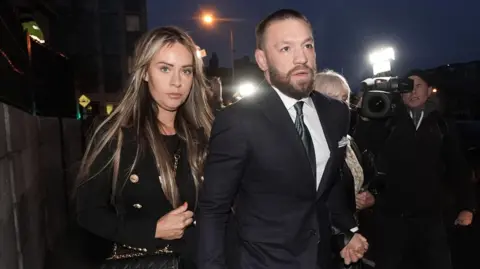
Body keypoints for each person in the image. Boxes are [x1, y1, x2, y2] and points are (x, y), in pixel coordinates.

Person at [197, 9, 368, 269]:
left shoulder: (336, 112)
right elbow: (213, 209)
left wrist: (346, 231)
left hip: (321, 259)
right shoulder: (238, 120)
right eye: (286, 49)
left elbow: (326, 185)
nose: (302, 58)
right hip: (259, 262)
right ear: (262, 60)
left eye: (307, 45)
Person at [75, 26, 213, 269]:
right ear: (145, 72)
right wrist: (152, 230)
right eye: (165, 68)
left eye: (186, 71)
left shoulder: (204, 135)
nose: (176, 82)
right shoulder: (116, 135)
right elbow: (88, 212)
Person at [353, 69, 475, 269]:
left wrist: (467, 207)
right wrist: (366, 117)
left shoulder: (442, 125)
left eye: (419, 86)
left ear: (429, 91)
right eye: (407, 87)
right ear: (400, 93)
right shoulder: (386, 121)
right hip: (391, 218)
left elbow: (458, 167)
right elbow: (361, 149)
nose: (413, 91)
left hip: (432, 218)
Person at [314, 70, 377, 269]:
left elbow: (370, 177)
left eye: (345, 99)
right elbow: (314, 202)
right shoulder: (309, 146)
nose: (342, 107)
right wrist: (343, 237)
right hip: (325, 244)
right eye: (333, 99)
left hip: (354, 234)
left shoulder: (349, 141)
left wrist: (370, 196)